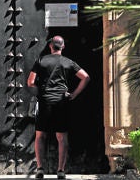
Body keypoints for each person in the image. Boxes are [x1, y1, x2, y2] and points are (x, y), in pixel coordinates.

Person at [27, 35, 90, 179]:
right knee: (62, 137)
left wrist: (41, 92)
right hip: (61, 102)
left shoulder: (41, 60)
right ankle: (61, 170)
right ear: (63, 47)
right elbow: (85, 77)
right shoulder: (68, 62)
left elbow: (30, 82)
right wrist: (74, 94)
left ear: (50, 46)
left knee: (40, 136)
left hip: (45, 102)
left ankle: (40, 169)